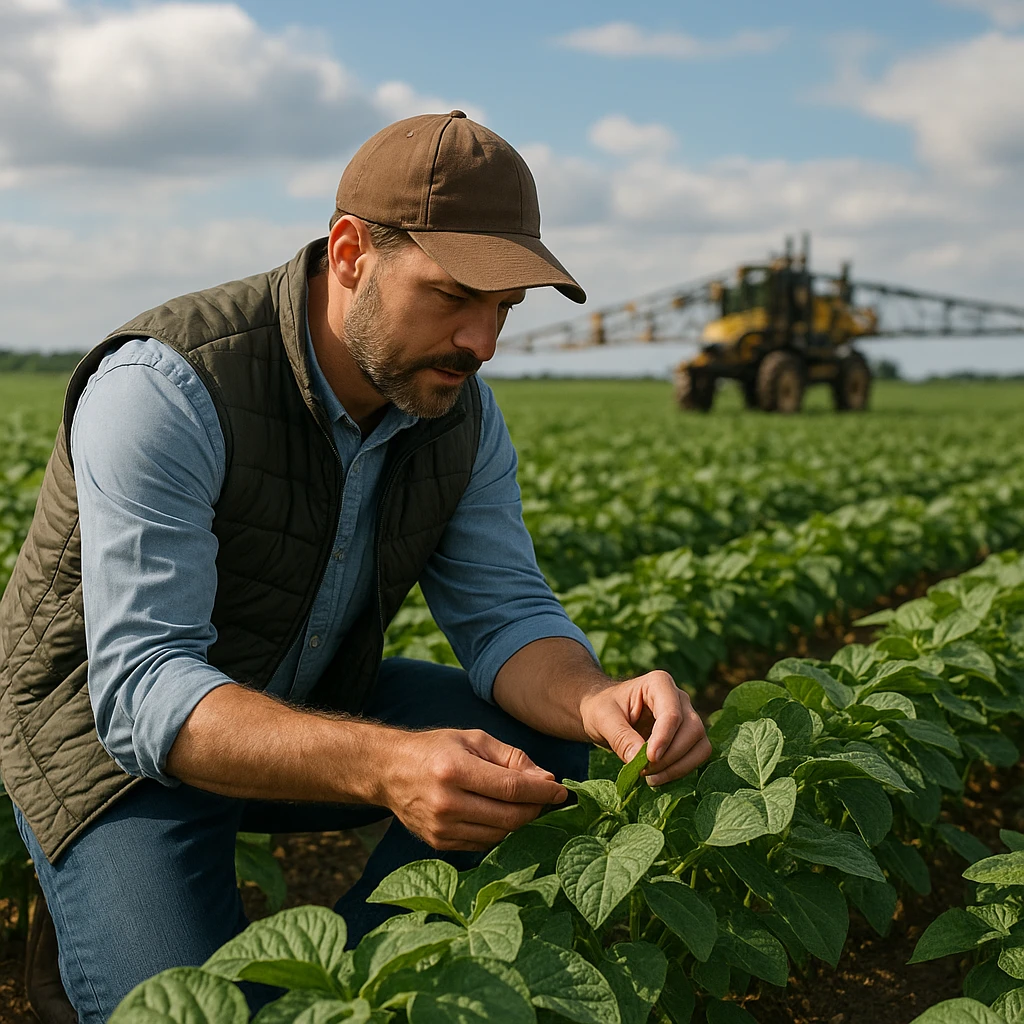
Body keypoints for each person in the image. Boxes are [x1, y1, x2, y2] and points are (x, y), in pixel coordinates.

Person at [0, 110, 711, 1022]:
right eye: (454, 296)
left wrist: (596, 698)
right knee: (189, 1009)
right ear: (349, 255)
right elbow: (145, 690)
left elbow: (504, 614)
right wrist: (385, 764)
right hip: (114, 744)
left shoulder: (457, 410)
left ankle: (359, 989)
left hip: (299, 687)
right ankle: (93, 895)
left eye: (504, 309)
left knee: (553, 747)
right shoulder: (166, 385)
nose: (483, 343)